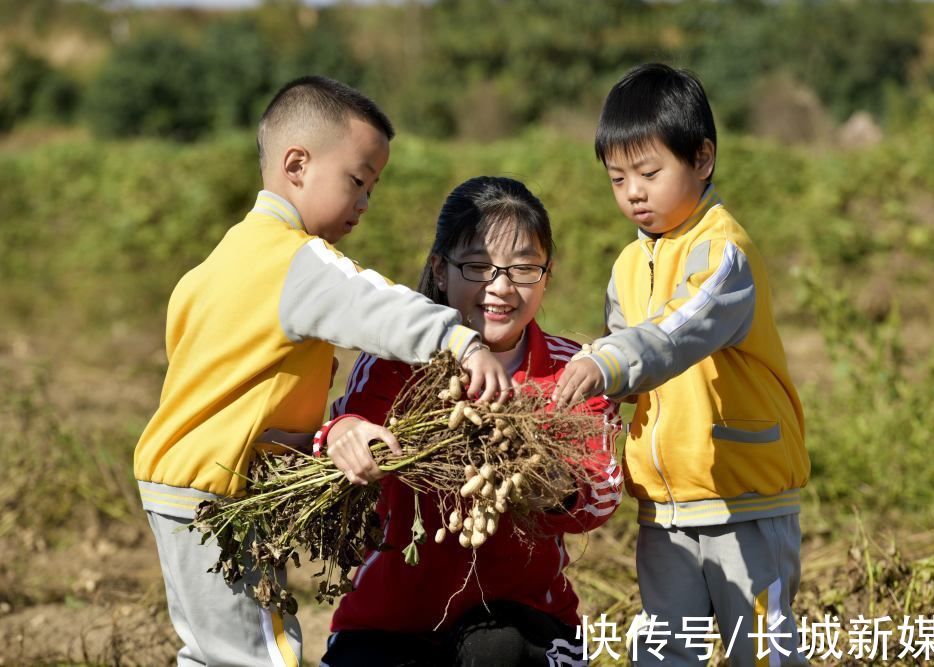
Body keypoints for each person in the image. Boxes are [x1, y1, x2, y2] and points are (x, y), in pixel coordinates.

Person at [133, 76, 511, 666]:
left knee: (211, 651)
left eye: (372, 189)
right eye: (357, 181)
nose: (364, 204)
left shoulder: (214, 265)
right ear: (297, 165)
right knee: (261, 656)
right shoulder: (297, 260)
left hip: (173, 487)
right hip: (223, 493)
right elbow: (375, 301)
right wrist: (457, 340)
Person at [554, 63, 810, 666]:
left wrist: (605, 360)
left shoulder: (723, 254)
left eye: (648, 172)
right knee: (666, 652)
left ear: (702, 158)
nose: (633, 192)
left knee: (763, 652)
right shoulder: (625, 265)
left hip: (741, 497)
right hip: (663, 509)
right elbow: (626, 360)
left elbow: (674, 331)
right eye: (617, 179)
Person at [317, 176, 622, 667]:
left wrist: (554, 486)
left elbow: (603, 495)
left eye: (524, 269)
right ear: (440, 269)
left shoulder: (575, 371)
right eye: (478, 266)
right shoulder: (395, 361)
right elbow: (343, 428)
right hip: (391, 618)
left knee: (494, 648)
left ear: (548, 275)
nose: (501, 287)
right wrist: (343, 436)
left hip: (526, 621)